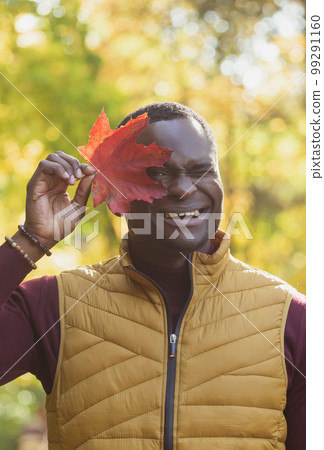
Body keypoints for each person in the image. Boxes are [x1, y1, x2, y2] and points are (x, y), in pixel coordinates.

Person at [0, 102, 305, 449]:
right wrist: (31, 241)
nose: (184, 188)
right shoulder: (52, 307)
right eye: (158, 173)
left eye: (201, 170)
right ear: (115, 190)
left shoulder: (290, 319)